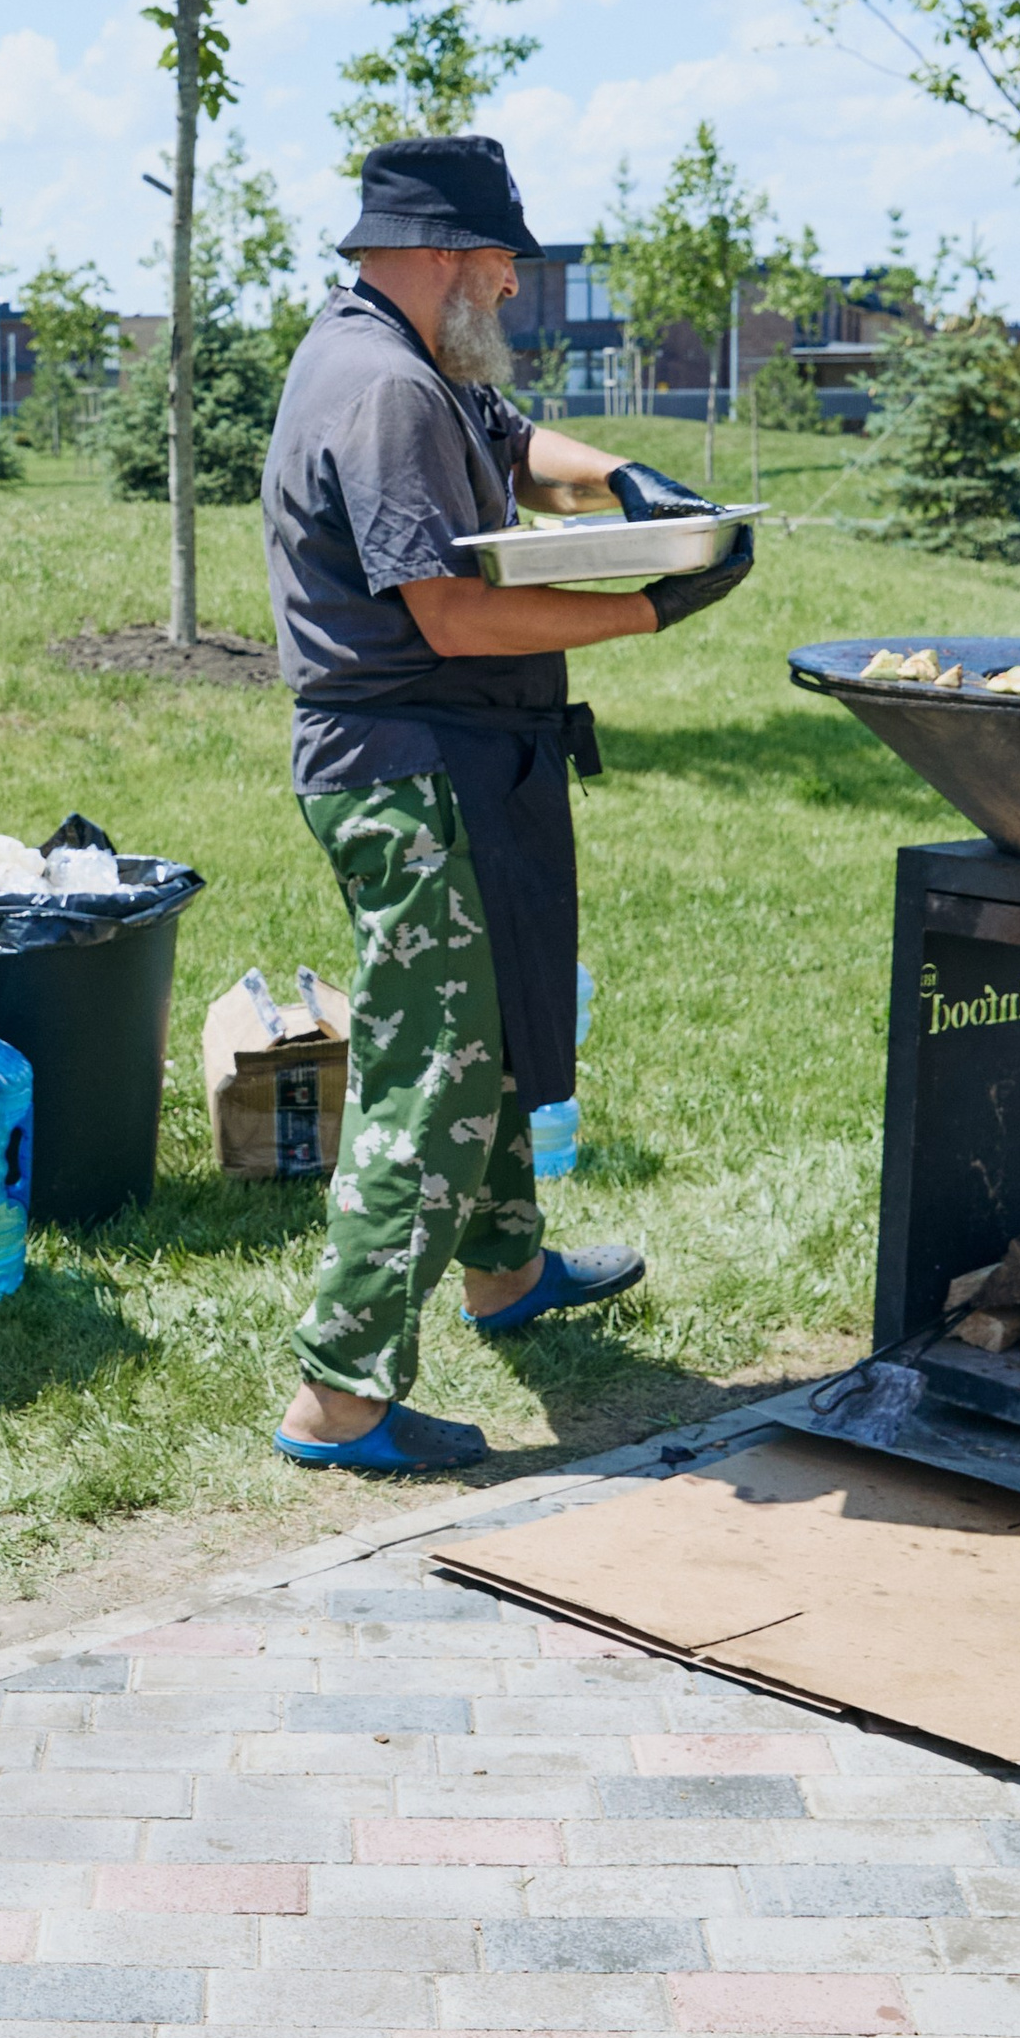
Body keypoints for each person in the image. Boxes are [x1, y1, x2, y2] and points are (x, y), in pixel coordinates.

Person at [259, 134, 751, 1475]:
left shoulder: (402, 354)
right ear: (442, 256)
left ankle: (506, 1275)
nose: (515, 293)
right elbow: (455, 613)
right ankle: (340, 1397)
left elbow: (518, 443)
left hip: (451, 763)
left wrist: (623, 486)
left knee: (488, 1024)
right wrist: (652, 604)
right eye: (502, 266)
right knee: (434, 1072)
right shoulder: (382, 391)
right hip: (414, 772)